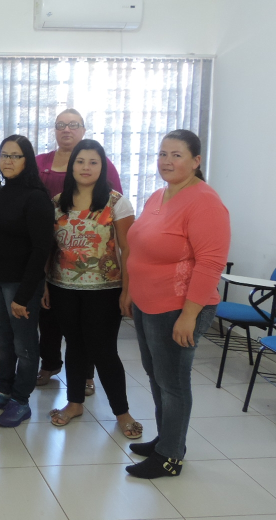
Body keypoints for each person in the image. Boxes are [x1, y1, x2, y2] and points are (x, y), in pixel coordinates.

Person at [124, 129, 230, 479]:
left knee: (173, 383)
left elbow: (211, 263)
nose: (166, 161)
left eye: (176, 155)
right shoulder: (160, 195)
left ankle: (169, 457)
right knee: (157, 377)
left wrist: (189, 314)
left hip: (178, 307)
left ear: (196, 161)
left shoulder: (205, 202)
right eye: (162, 154)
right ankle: (166, 440)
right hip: (148, 303)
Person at [42, 140, 141, 438]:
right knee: (74, 345)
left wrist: (128, 289)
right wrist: (45, 283)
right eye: (80, 161)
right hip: (63, 287)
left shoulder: (116, 203)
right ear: (71, 166)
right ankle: (74, 403)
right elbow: (50, 248)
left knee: (103, 349)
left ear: (103, 166)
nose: (86, 167)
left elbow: (128, 249)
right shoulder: (58, 202)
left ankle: (122, 412)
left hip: (105, 288)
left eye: (93, 162)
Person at [35, 108, 123, 392]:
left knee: (98, 342)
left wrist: (129, 288)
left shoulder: (112, 193)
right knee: (62, 333)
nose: (66, 130)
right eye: (61, 125)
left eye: (73, 125)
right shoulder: (50, 184)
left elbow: (125, 242)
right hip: (59, 272)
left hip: (102, 282)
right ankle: (58, 377)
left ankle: (97, 386)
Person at [0, 135, 53, 428]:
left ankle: (20, 400)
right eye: (4, 155)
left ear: (27, 160)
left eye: (15, 156)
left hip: (20, 285)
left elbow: (42, 249)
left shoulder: (36, 198)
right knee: (3, 341)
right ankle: (3, 390)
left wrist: (23, 296)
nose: (8, 161)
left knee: (24, 344)